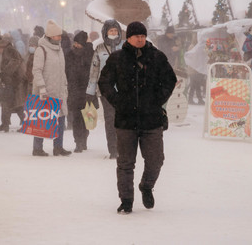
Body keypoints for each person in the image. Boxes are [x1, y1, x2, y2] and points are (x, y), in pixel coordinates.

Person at [98, 21, 177, 214]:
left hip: (152, 118)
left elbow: (170, 79)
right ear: (129, 38)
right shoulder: (117, 58)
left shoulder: (157, 57)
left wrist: (158, 99)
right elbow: (105, 82)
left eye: (143, 36)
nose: (140, 39)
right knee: (125, 163)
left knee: (156, 159)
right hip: (126, 120)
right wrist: (118, 101)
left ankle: (146, 186)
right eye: (137, 36)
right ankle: (126, 200)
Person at [32, 19, 71, 157]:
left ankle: (58, 147)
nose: (59, 38)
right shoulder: (41, 50)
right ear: (49, 36)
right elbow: (36, 70)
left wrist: (65, 85)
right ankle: (37, 148)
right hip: (46, 90)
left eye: (60, 36)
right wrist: (42, 87)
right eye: (57, 36)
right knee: (42, 120)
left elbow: (62, 70)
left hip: (59, 89)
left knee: (60, 119)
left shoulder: (59, 49)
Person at [85, 19, 124, 159]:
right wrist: (90, 92)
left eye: (115, 31)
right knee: (110, 119)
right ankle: (113, 149)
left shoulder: (125, 47)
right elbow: (94, 71)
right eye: (111, 31)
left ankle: (123, 148)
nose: (113, 33)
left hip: (123, 90)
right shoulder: (99, 49)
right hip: (106, 90)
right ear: (105, 32)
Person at [65, 31, 94, 153]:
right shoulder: (70, 55)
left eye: (78, 43)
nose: (76, 45)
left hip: (87, 90)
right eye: (75, 43)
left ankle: (84, 139)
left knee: (87, 118)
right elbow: (66, 70)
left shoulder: (90, 54)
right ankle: (78, 142)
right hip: (74, 90)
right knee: (76, 118)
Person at [0, 42, 27, 132]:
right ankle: (5, 124)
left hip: (14, 81)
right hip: (12, 80)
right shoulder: (9, 50)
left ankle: (24, 123)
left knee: (14, 104)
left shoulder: (8, 50)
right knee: (8, 103)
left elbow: (15, 61)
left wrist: (5, 72)